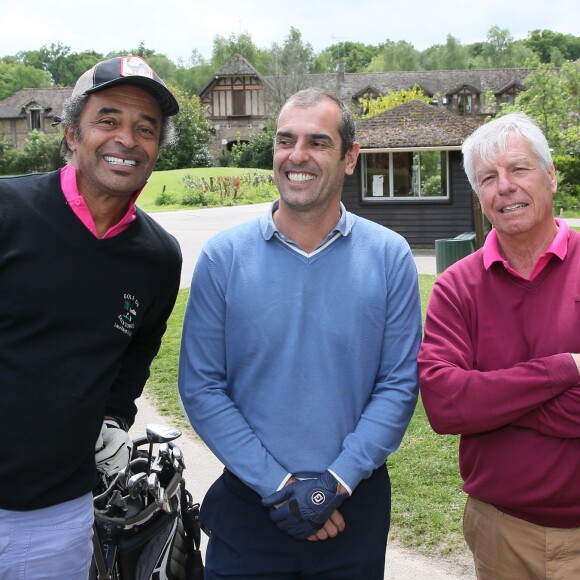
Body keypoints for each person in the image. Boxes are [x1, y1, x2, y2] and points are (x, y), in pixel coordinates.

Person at [178, 87, 422, 579]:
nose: (297, 156)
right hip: (250, 507)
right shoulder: (224, 259)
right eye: (285, 140)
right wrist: (278, 484)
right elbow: (201, 386)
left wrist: (333, 484)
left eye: (317, 142)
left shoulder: (390, 257)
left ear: (350, 157)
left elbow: (398, 384)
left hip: (353, 510)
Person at [0, 55, 182, 579]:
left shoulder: (158, 257)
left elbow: (136, 355)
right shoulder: (8, 212)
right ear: (72, 135)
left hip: (56, 518)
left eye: (144, 128)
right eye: (108, 120)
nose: (127, 138)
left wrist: (111, 419)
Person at [418, 112, 580, 579]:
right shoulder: (456, 287)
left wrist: (490, 399)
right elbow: (446, 407)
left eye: (519, 169)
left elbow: (466, 400)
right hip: (502, 533)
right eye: (489, 178)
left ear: (550, 177)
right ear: (480, 197)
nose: (505, 186)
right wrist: (562, 371)